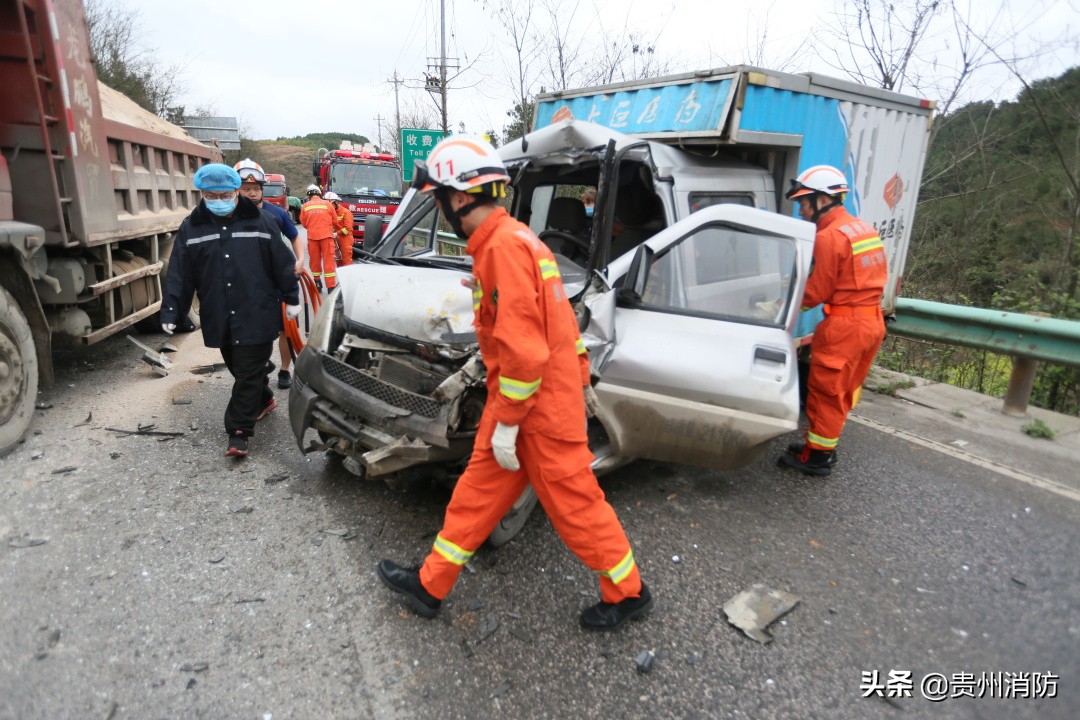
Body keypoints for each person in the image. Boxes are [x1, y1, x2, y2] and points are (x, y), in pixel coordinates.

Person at [377, 136, 652, 630]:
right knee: (477, 494)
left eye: (438, 196)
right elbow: (552, 318)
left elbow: (526, 353)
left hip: (536, 412)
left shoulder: (502, 248)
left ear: (460, 197)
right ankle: (430, 584)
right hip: (529, 404)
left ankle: (628, 593)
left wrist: (508, 422)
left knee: (575, 506)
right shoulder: (513, 239)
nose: (439, 207)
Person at [161, 163, 301, 458]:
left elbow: (282, 262)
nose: (218, 200)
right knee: (241, 369)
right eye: (211, 195)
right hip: (219, 313)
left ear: (236, 190)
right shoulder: (191, 228)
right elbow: (180, 274)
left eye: (224, 194)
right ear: (202, 194)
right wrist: (172, 311)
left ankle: (238, 432)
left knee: (247, 372)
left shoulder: (262, 222)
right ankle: (263, 398)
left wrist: (291, 298)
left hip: (258, 311)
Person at [778, 165, 887, 476]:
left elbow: (815, 291)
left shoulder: (829, 237)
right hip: (871, 322)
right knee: (841, 390)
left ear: (822, 201)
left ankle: (818, 459)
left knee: (825, 392)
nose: (800, 211)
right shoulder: (861, 229)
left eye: (803, 203)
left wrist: (777, 307)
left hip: (844, 326)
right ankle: (819, 447)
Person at [234, 159, 305, 389]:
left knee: (284, 329)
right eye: (246, 189)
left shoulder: (277, 214)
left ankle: (284, 369)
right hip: (248, 284)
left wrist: (300, 259)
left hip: (276, 281)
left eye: (256, 189)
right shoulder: (230, 217)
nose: (252, 193)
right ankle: (262, 365)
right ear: (237, 189)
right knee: (256, 329)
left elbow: (295, 237)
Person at [299, 184, 337, 291]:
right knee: (328, 262)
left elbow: (304, 223)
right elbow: (335, 220)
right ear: (320, 194)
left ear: (308, 195)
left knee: (314, 261)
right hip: (327, 237)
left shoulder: (305, 206)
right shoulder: (328, 205)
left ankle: (317, 282)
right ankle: (330, 287)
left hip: (312, 238)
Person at [324, 191, 355, 266]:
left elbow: (348, 229)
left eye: (329, 205)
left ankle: (348, 277)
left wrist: (336, 233)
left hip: (345, 240)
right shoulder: (330, 212)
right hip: (335, 240)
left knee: (347, 262)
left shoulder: (346, 213)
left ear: (335, 202)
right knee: (338, 262)